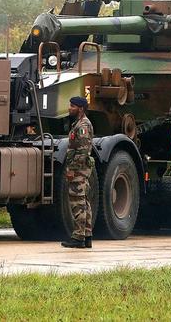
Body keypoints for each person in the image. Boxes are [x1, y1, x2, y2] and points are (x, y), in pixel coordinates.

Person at [61, 96, 95, 249]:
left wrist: (72, 170)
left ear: (80, 109)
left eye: (73, 106)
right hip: (81, 169)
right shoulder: (79, 124)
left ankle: (78, 237)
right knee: (84, 202)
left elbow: (82, 151)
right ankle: (87, 236)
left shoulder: (83, 126)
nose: (70, 108)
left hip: (78, 170)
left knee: (78, 203)